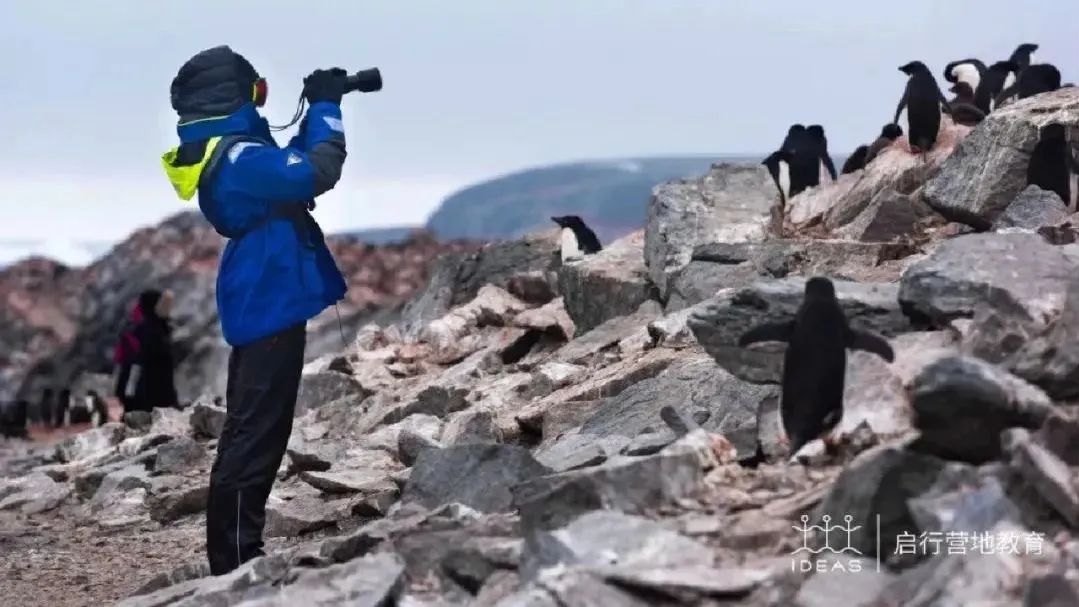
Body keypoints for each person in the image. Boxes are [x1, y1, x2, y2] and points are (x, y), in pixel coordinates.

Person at [163, 46, 349, 575]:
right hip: (268, 293)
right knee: (256, 430)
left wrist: (315, 108)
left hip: (262, 289)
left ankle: (236, 551)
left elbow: (287, 170)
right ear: (239, 97)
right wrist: (327, 109)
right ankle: (238, 559)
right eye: (257, 91)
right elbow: (316, 170)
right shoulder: (240, 157)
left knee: (255, 424)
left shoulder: (236, 151)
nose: (262, 100)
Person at [114, 289, 179, 412]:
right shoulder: (148, 332)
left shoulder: (155, 329)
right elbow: (135, 366)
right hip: (145, 397)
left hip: (148, 396)